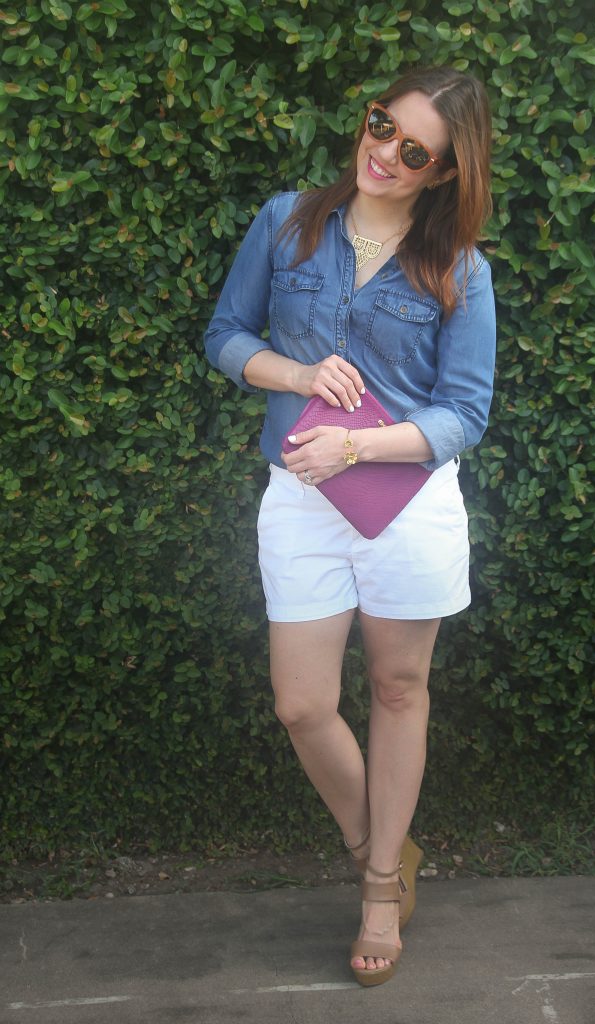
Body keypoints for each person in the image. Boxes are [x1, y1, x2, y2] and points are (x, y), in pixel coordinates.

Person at [204, 65, 495, 987]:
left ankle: (377, 888)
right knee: (302, 702)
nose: (386, 155)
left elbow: (465, 412)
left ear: (444, 172)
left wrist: (360, 450)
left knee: (399, 690)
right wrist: (296, 378)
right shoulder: (289, 219)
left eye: (416, 151)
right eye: (382, 127)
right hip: (299, 495)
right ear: (365, 120)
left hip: (406, 501)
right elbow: (225, 335)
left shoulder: (459, 267)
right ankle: (384, 843)